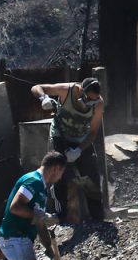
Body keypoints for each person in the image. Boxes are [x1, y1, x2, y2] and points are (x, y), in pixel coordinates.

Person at [31, 78, 105, 220]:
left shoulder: (98, 104)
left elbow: (93, 132)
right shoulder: (66, 90)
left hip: (81, 139)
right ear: (81, 91)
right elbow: (37, 86)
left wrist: (79, 150)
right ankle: (61, 216)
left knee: (91, 175)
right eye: (88, 99)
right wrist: (43, 98)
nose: (90, 103)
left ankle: (97, 217)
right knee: (58, 174)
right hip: (60, 136)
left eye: (93, 100)